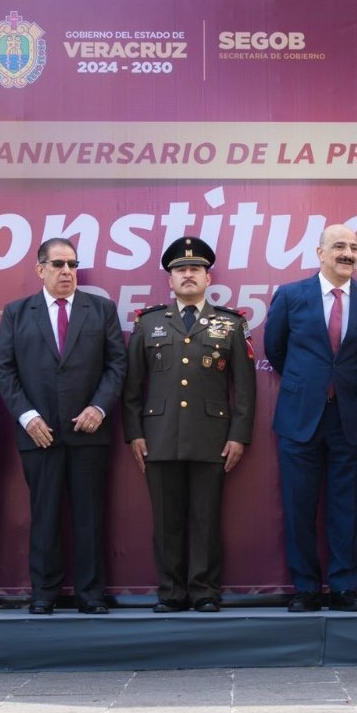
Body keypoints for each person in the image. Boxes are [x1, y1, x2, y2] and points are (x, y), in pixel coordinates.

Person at [0, 237, 126, 615]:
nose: (67, 271)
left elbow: (117, 365)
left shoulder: (101, 309)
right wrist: (28, 416)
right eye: (58, 264)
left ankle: (90, 594)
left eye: (72, 264)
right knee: (45, 514)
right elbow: (5, 369)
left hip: (89, 433)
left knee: (89, 516)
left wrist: (99, 408)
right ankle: (44, 593)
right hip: (40, 433)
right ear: (41, 269)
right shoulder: (18, 312)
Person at [123, 237, 256, 613]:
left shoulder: (231, 324)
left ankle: (204, 592)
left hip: (212, 437)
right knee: (166, 522)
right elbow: (132, 386)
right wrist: (134, 433)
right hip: (159, 437)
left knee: (206, 518)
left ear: (208, 277)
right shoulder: (148, 323)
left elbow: (245, 389)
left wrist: (239, 436)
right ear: (170, 280)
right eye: (180, 270)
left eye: (195, 269)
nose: (187, 275)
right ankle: (171, 592)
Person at [264, 222, 357, 612]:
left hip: (349, 417)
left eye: (353, 247)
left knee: (345, 506)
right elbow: (276, 349)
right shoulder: (290, 295)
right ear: (319, 253)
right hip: (300, 417)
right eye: (338, 246)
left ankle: (344, 588)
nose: (347, 253)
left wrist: (341, 386)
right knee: (299, 506)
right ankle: (305, 588)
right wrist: (311, 385)